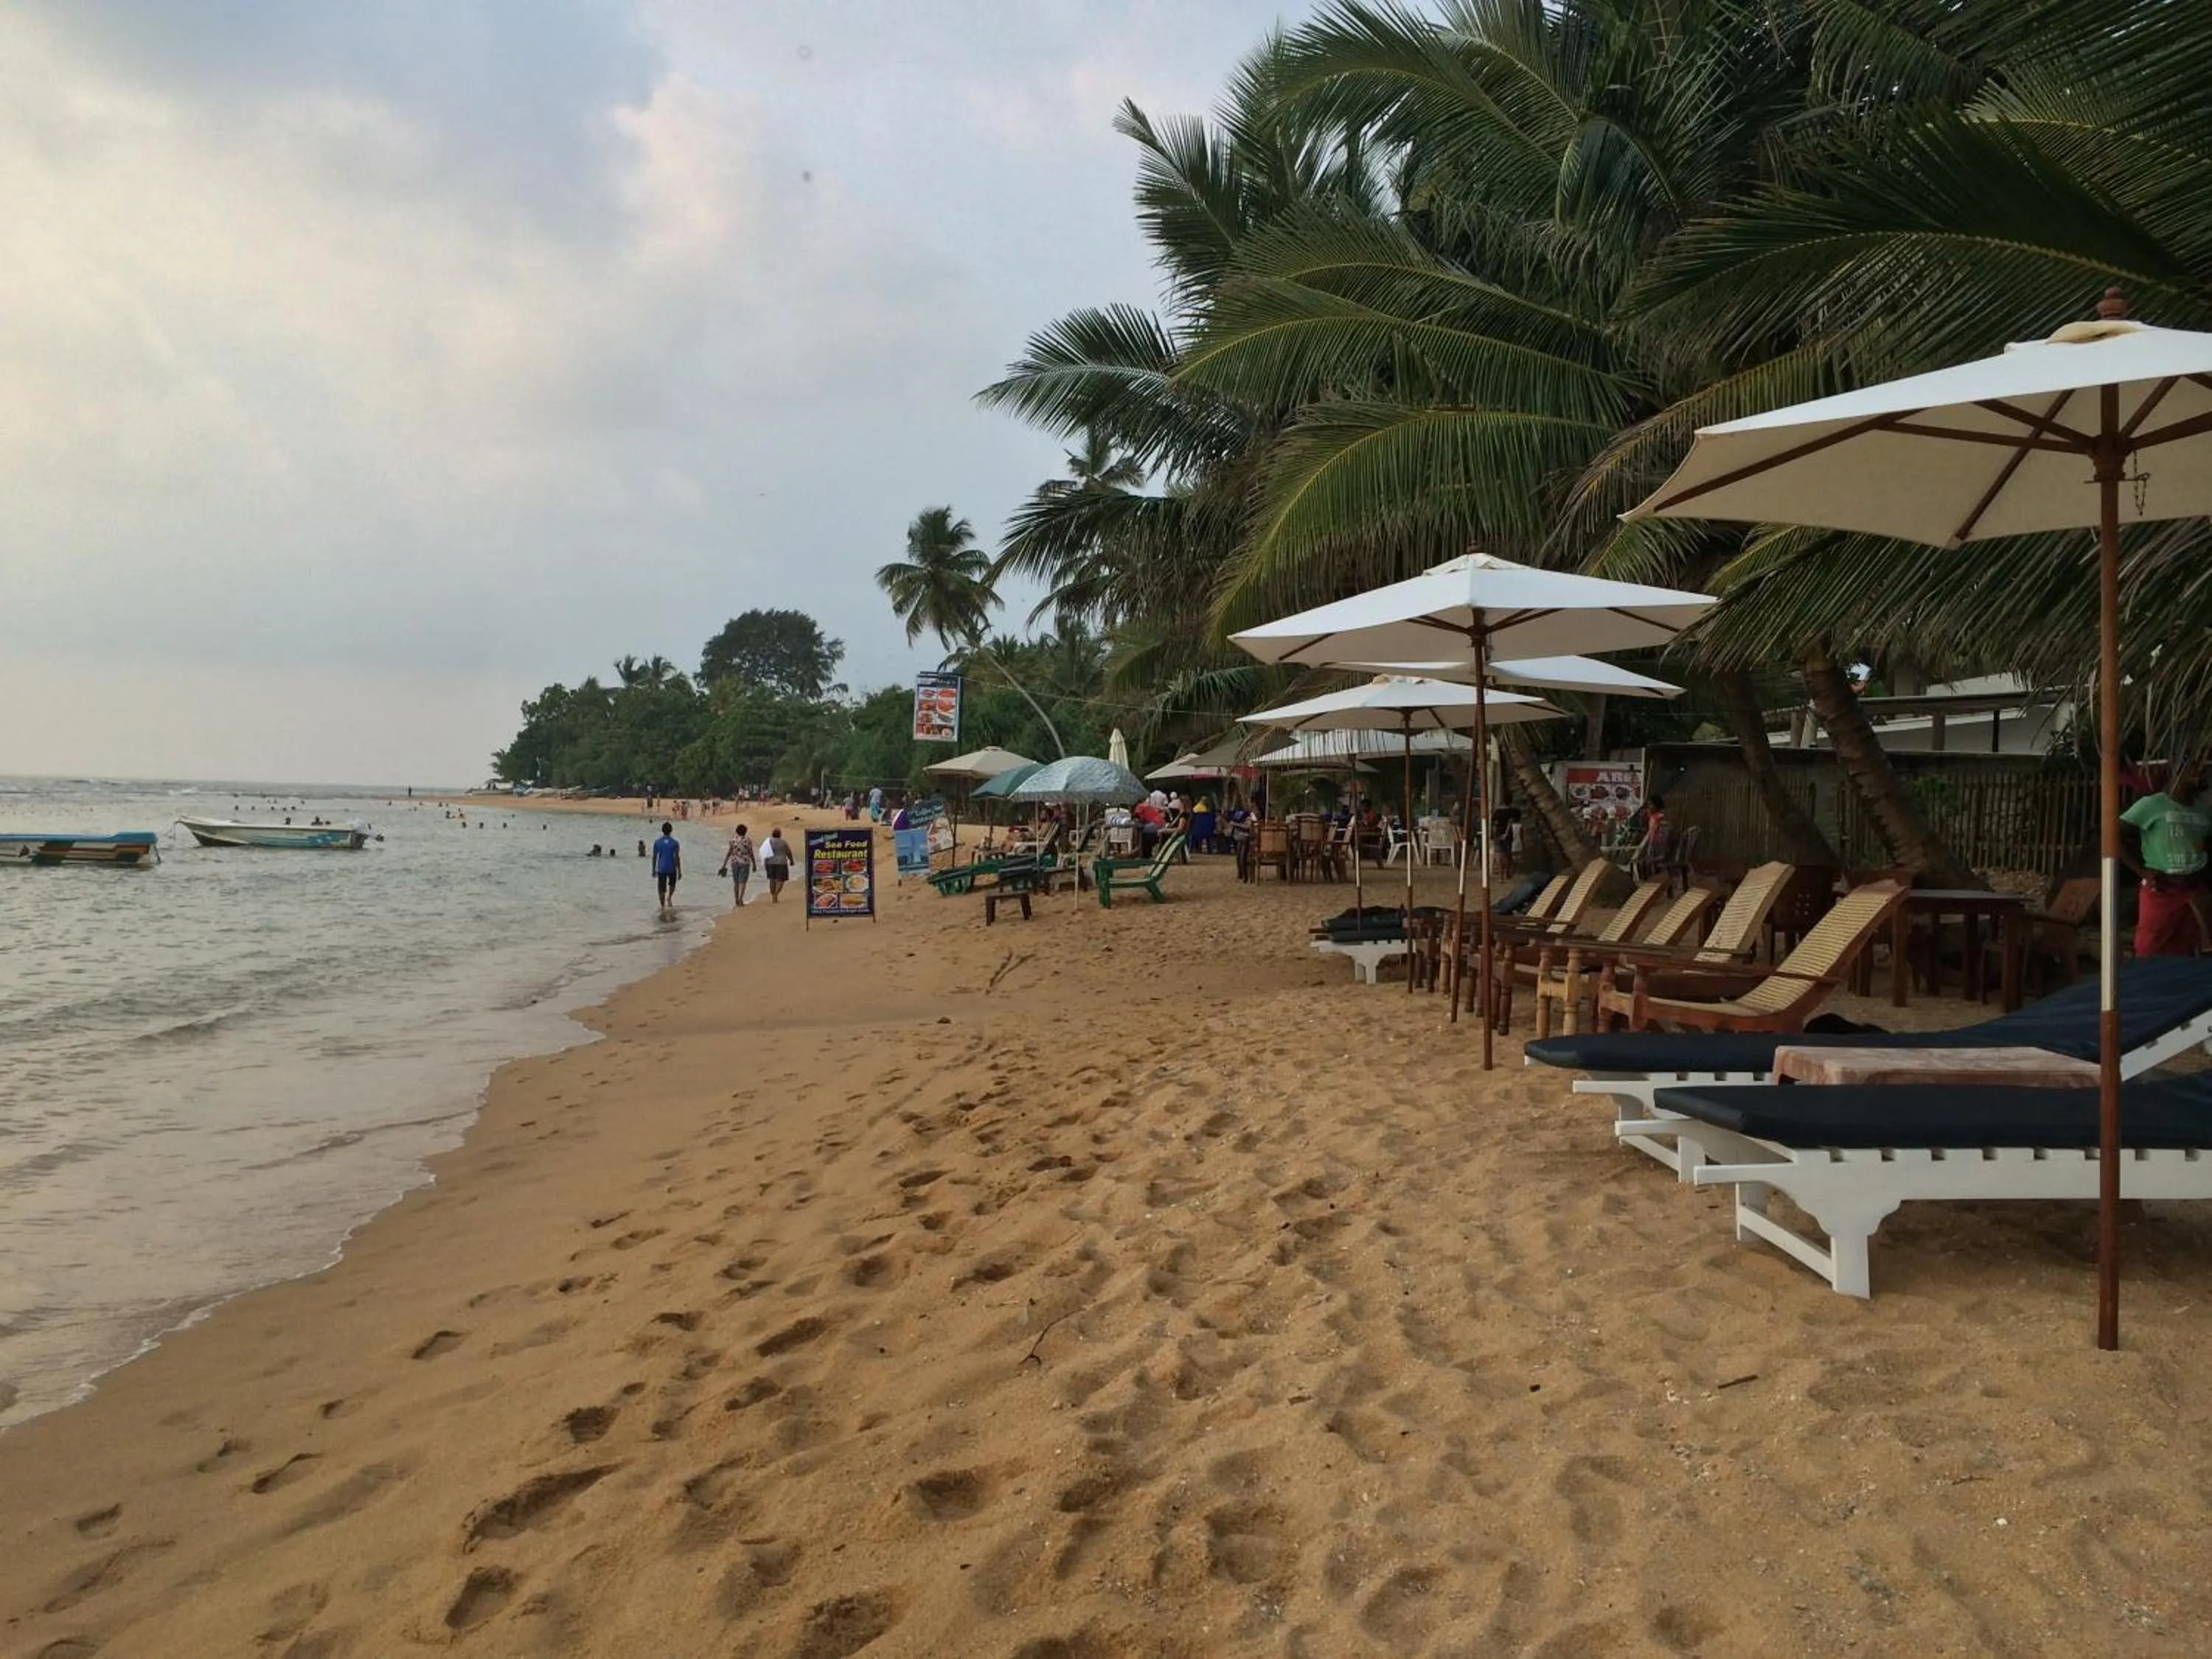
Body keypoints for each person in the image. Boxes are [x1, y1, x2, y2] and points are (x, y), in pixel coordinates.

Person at [2121, 765, 2211, 956]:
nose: (2201, 772)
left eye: (2204, 769)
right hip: (2162, 888)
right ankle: (2146, 984)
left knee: (2185, 948)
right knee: (2149, 949)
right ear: (2177, 770)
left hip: (2194, 889)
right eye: (2195, 767)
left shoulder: (2204, 810)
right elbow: (2112, 836)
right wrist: (2141, 871)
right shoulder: (2152, 805)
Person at [720, 822, 756, 908]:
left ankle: (736, 899)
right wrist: (754, 864)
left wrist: (724, 864)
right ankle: (740, 899)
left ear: (737, 831)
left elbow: (729, 852)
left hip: (735, 862)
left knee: (736, 882)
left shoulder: (733, 840)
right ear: (745, 832)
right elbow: (751, 853)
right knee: (743, 882)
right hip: (745, 862)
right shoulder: (748, 841)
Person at [651, 820, 682, 913]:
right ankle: (669, 898)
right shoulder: (675, 843)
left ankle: (662, 906)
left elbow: (654, 857)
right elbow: (677, 857)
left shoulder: (657, 842)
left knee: (661, 889)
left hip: (661, 868)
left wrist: (653, 869)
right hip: (672, 867)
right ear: (671, 830)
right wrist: (680, 870)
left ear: (662, 830)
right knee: (672, 884)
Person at [760, 827, 793, 902]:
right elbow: (788, 852)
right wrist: (791, 860)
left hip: (770, 862)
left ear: (772, 834)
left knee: (772, 879)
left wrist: (765, 862)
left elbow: (765, 853)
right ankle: (776, 895)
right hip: (781, 863)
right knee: (781, 880)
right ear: (780, 835)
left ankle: (773, 895)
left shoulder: (768, 842)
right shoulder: (783, 842)